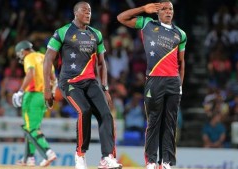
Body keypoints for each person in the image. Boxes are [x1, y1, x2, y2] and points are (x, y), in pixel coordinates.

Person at [43, 1, 122, 169]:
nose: (88, 13)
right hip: (69, 82)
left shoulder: (96, 35)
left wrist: (105, 88)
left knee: (106, 115)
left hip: (91, 82)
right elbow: (48, 58)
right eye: (84, 10)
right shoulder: (62, 32)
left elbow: (101, 63)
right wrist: (47, 88)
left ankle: (107, 158)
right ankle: (80, 155)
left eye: (90, 10)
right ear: (76, 13)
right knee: (84, 110)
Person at [117, 1, 187, 169]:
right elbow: (121, 18)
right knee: (154, 122)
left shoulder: (181, 34)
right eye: (164, 9)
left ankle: (167, 162)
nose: (168, 11)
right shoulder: (148, 24)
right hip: (154, 80)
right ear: (157, 12)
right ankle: (151, 161)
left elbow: (181, 62)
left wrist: (180, 86)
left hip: (173, 82)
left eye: (171, 8)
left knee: (170, 123)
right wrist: (142, 9)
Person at [12, 40, 57, 167]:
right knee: (33, 128)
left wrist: (20, 91)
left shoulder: (29, 57)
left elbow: (31, 74)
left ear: (24, 50)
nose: (21, 56)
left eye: (20, 53)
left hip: (31, 95)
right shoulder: (44, 57)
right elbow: (55, 79)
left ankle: (48, 152)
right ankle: (29, 158)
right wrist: (51, 95)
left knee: (29, 128)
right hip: (43, 96)